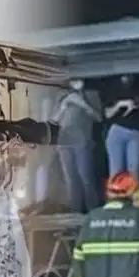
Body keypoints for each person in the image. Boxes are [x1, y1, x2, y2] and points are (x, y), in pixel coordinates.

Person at [52, 79, 102, 213]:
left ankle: (93, 212)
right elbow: (54, 119)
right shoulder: (62, 95)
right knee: (70, 179)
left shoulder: (91, 94)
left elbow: (99, 117)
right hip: (64, 142)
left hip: (83, 142)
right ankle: (75, 213)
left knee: (86, 177)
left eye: (78, 79)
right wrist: (64, 104)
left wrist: (84, 104)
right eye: (73, 80)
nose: (75, 82)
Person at [105, 96, 139, 182]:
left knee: (134, 171)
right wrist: (119, 105)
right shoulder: (113, 87)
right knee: (116, 171)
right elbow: (107, 114)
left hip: (136, 132)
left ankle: (131, 194)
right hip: (117, 131)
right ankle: (117, 194)